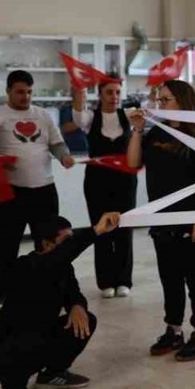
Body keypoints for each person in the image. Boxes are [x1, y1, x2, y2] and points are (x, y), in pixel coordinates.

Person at [0, 212, 120, 389]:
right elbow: (55, 261)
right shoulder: (26, 266)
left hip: (39, 336)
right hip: (5, 352)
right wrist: (96, 230)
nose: (70, 246)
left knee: (86, 320)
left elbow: (74, 293)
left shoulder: (63, 267)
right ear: (46, 245)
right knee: (29, 331)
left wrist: (77, 306)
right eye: (65, 241)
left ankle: (52, 375)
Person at [127, 80, 195, 361]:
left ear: (182, 101)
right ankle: (174, 328)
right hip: (163, 219)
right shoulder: (156, 134)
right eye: (160, 100)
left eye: (166, 100)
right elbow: (132, 163)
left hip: (193, 219)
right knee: (170, 277)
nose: (161, 104)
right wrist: (138, 130)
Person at [0, 70, 75, 308]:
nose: (25, 96)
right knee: (7, 245)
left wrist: (64, 156)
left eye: (28, 92)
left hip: (44, 190)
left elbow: (56, 143)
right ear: (8, 91)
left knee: (47, 244)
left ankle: (45, 291)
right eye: (19, 92)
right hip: (10, 193)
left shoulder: (43, 115)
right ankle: (2, 293)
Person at [67, 81, 136, 298]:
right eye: (109, 92)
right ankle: (106, 281)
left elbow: (151, 111)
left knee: (124, 229)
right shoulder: (90, 118)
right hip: (97, 181)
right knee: (101, 229)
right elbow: (78, 115)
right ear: (100, 94)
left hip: (125, 180)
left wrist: (154, 94)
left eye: (117, 92)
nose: (114, 96)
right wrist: (79, 92)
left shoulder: (129, 115)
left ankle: (124, 280)